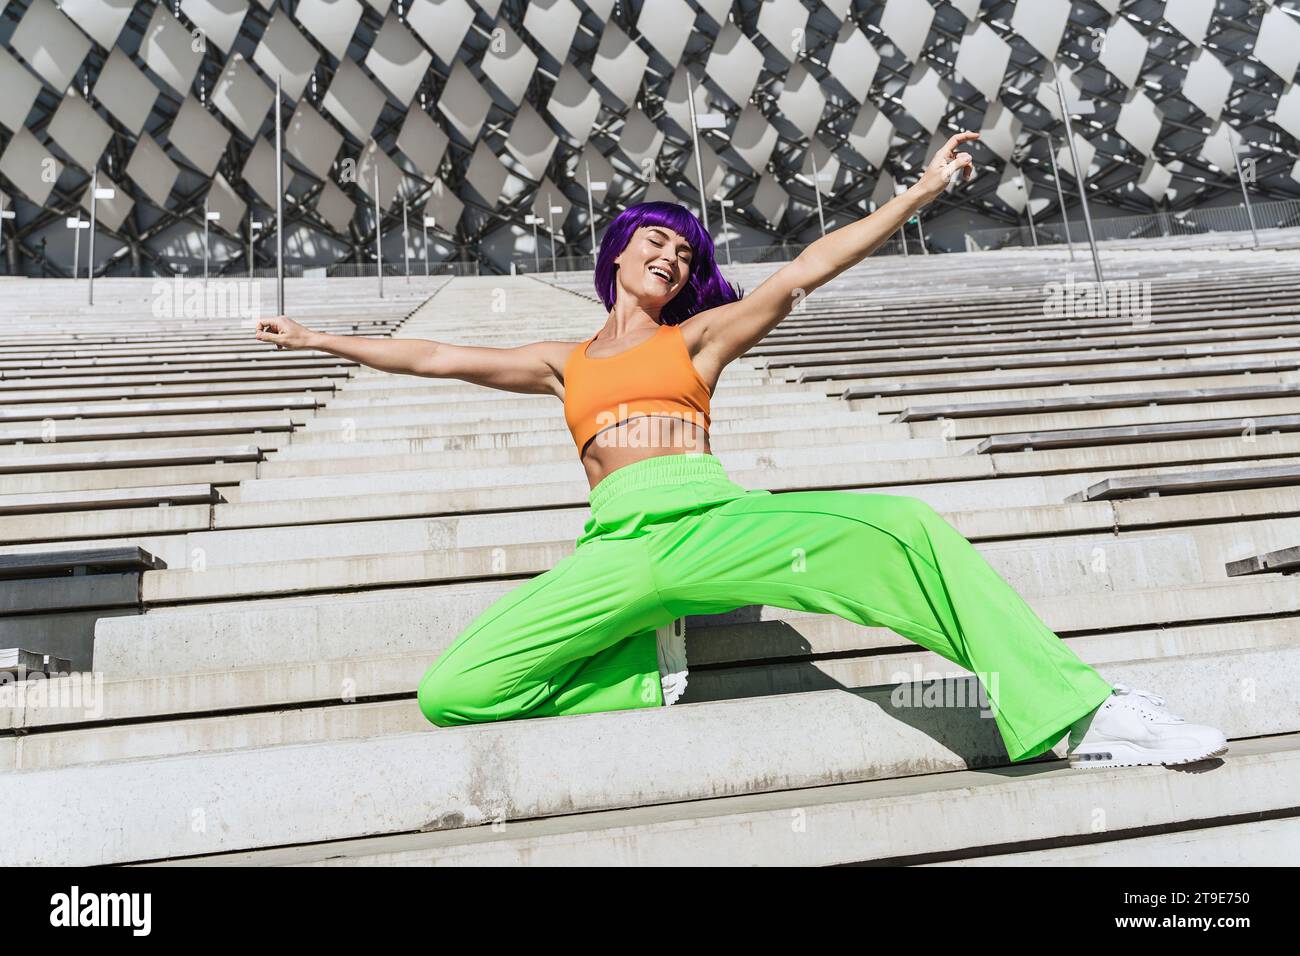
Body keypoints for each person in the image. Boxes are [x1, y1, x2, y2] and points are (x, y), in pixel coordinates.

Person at [254, 132, 1227, 769]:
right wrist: (317, 339)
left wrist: (919, 194)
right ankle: (646, 670)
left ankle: (1079, 712)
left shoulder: (700, 337)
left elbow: (808, 265)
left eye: (683, 251)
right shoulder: (560, 359)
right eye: (655, 242)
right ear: (618, 255)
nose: (671, 257)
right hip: (616, 549)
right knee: (454, 690)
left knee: (905, 524)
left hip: (710, 523)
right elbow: (431, 351)